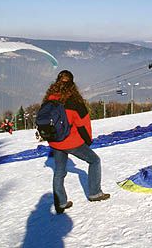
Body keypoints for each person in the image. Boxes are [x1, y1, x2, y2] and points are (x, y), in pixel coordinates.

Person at [43, 70, 110, 214]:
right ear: (72, 84)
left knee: (59, 171)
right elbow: (83, 125)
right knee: (94, 161)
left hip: (55, 142)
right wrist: (88, 141)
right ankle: (95, 193)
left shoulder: (49, 98)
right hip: (71, 142)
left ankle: (60, 203)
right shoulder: (74, 102)